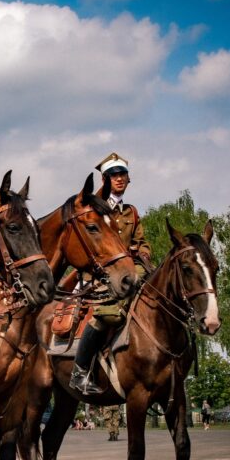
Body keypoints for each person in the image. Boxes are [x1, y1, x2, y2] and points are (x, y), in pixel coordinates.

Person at [70, 152, 153, 395]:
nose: (119, 179)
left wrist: (144, 254)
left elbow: (143, 242)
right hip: (103, 274)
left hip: (131, 270)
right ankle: (80, 371)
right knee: (108, 314)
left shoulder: (132, 213)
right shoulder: (96, 209)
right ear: (105, 180)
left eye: (123, 175)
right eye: (113, 175)